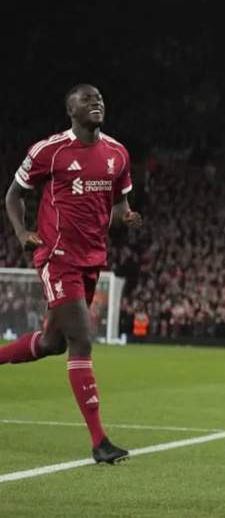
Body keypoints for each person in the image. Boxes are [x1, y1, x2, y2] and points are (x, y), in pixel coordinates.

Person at [1, 84, 141, 464]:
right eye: (87, 99)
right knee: (81, 339)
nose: (96, 102)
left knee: (53, 343)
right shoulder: (50, 151)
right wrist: (22, 232)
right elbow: (14, 194)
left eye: (100, 98)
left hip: (93, 258)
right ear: (70, 110)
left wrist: (126, 218)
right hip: (57, 256)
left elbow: (119, 208)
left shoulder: (117, 153)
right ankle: (100, 442)